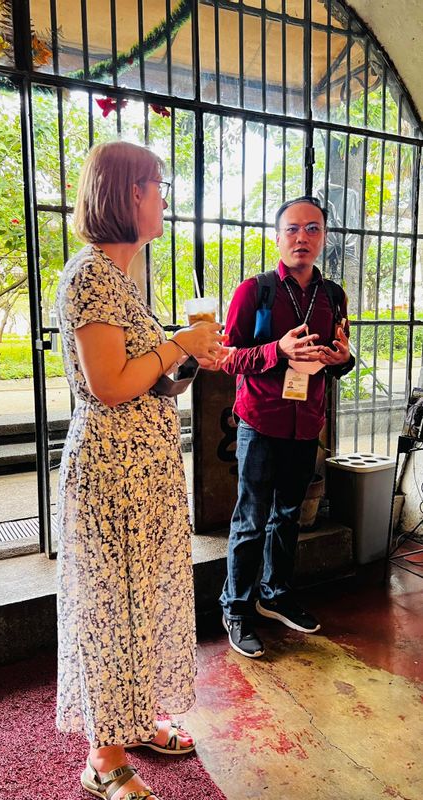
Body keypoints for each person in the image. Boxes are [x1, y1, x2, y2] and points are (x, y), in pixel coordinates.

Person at [55, 140, 229, 800]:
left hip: (144, 471)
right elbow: (108, 384)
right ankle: (103, 760)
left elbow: (148, 379)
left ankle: (132, 723)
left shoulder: (122, 280)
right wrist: (177, 345)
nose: (163, 197)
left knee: (140, 604)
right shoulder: (90, 275)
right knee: (109, 607)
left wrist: (184, 361)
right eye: (155, 185)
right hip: (109, 473)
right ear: (126, 194)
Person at [220, 195, 355, 659]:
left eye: (313, 229)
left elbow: (339, 355)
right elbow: (226, 357)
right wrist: (277, 350)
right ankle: (235, 608)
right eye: (293, 229)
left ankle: (274, 595)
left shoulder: (333, 295)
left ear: (323, 237)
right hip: (260, 422)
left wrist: (344, 361)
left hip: (306, 423)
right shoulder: (255, 291)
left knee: (288, 516)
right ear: (278, 237)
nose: (302, 237)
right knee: (251, 519)